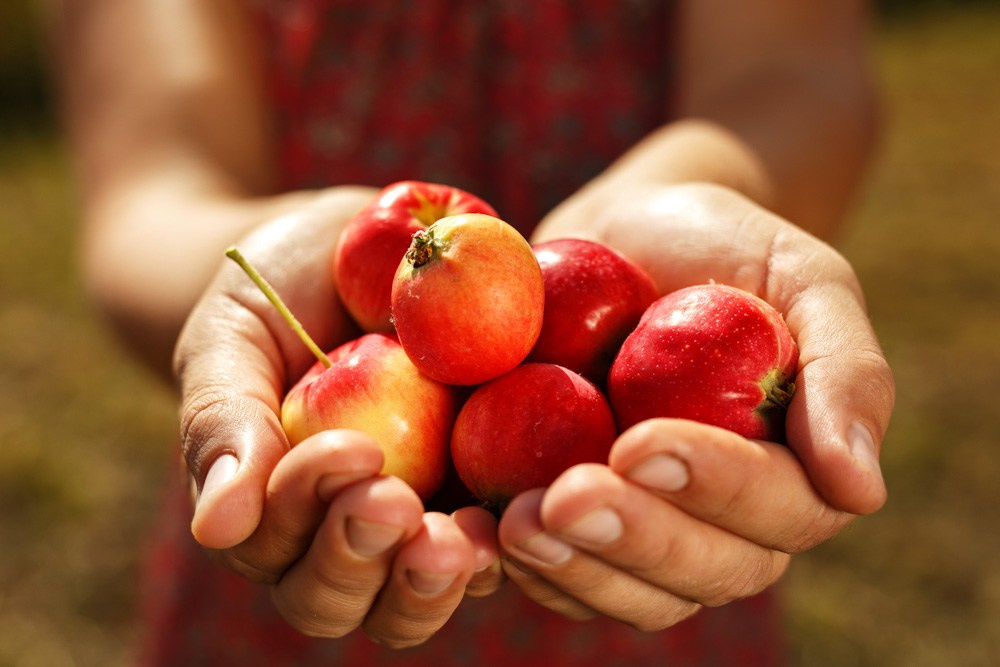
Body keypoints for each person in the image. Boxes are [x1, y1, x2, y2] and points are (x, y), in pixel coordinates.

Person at [53, 0, 895, 664]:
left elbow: (795, 77)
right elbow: (149, 192)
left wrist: (701, 184)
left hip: (647, 527)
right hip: (309, 515)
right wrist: (241, 295)